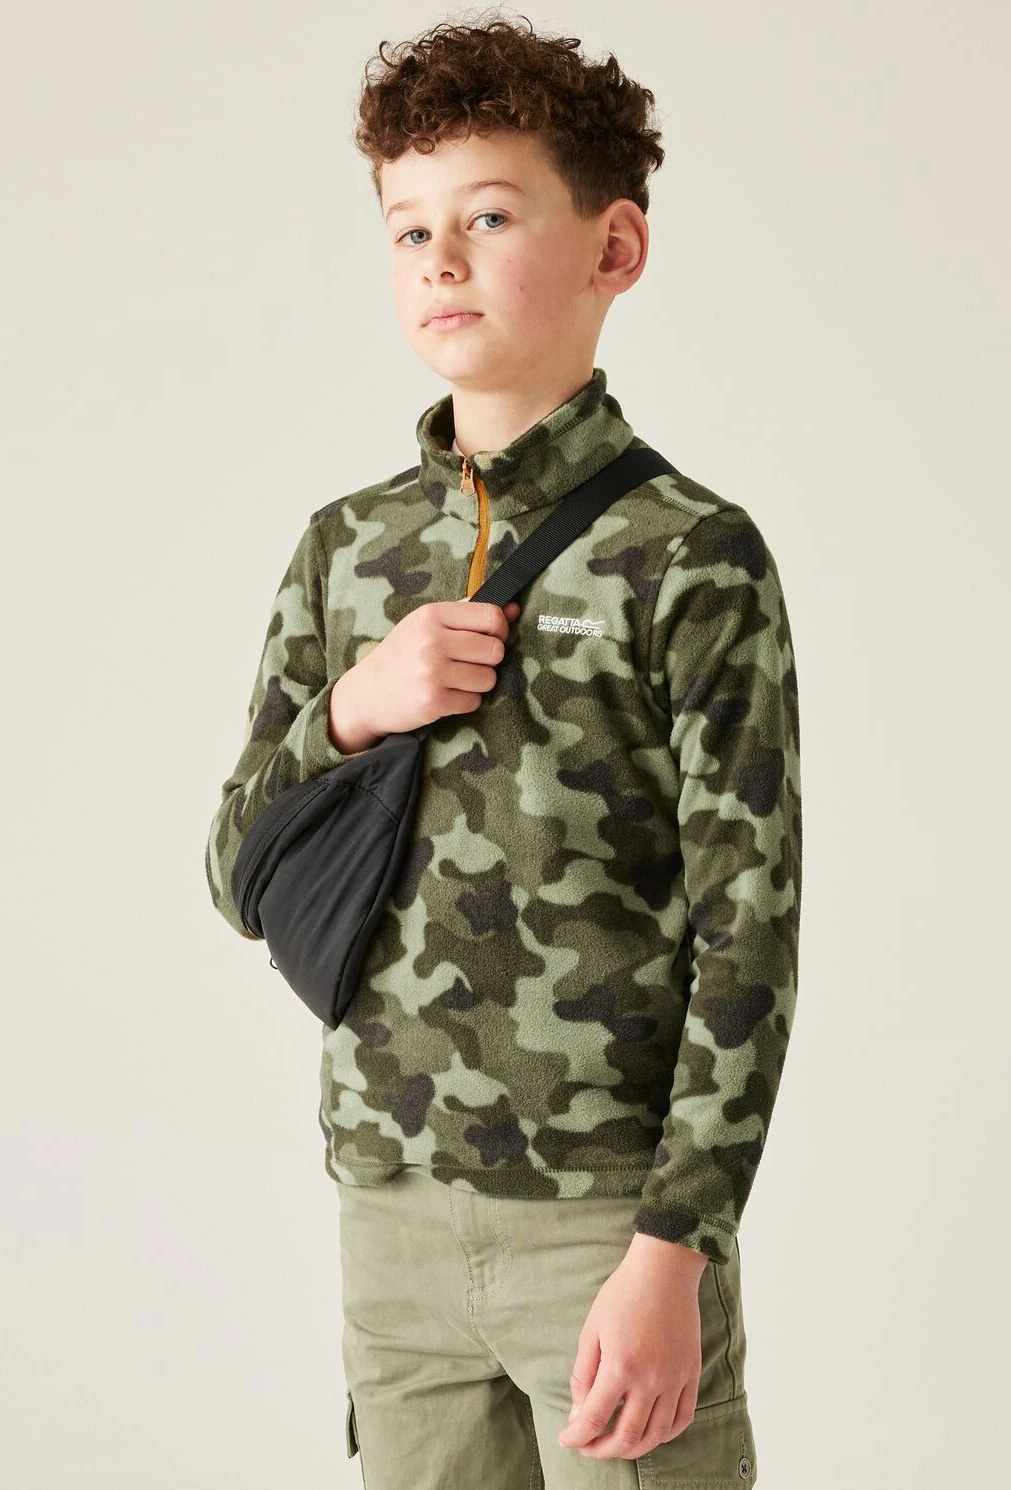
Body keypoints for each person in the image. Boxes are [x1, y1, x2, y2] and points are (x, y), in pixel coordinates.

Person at [204, 14, 801, 1488]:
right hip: (389, 1210)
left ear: (615, 248)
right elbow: (235, 873)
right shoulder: (345, 549)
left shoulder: (690, 554)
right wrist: (355, 706)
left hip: (604, 1223)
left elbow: (748, 931)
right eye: (410, 229)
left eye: (487, 217)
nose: (441, 262)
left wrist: (675, 1244)